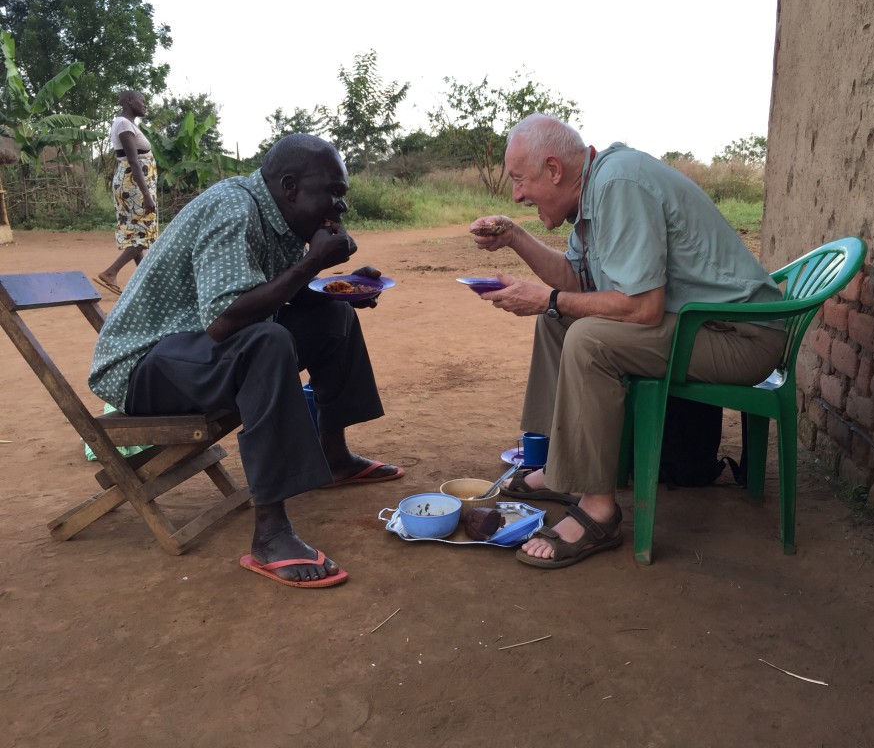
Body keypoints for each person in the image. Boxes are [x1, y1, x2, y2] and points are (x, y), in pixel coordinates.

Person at [469, 114, 787, 569]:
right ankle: (566, 467)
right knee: (556, 320)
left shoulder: (620, 185)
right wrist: (516, 239)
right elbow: (575, 282)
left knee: (588, 337)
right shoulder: (594, 192)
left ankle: (598, 512)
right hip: (703, 326)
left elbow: (642, 308)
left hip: (738, 338)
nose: (516, 194)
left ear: (555, 170)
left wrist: (551, 299)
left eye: (520, 180)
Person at [89, 133, 404, 588]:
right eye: (332, 193)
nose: (341, 206)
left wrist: (335, 282)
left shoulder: (279, 219)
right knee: (266, 343)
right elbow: (224, 322)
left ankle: (334, 459)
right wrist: (312, 264)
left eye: (343, 195)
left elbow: (265, 299)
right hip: (143, 368)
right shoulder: (233, 209)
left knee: (332, 314)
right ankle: (270, 536)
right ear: (291, 186)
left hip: (195, 353)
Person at [95, 90, 159, 296]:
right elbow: (133, 161)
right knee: (143, 233)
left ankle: (145, 280)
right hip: (134, 186)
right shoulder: (123, 124)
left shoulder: (127, 124)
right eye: (142, 101)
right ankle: (111, 272)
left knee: (137, 233)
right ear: (130, 101)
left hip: (133, 184)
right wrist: (146, 194)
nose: (145, 104)